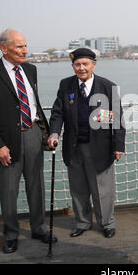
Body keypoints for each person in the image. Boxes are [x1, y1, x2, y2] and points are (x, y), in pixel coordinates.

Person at [0, 28, 57, 254]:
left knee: (36, 186)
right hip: (5, 142)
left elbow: (34, 105)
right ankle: (10, 234)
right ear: (4, 48)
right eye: (19, 47)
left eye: (25, 45)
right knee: (9, 190)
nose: (25, 50)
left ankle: (39, 228)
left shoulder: (31, 70)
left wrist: (46, 133)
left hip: (32, 135)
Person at [48, 48, 125, 238]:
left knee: (103, 190)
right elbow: (58, 113)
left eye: (85, 64)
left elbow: (117, 119)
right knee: (78, 188)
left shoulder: (108, 87)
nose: (81, 68)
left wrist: (118, 146)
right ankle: (82, 222)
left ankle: (107, 223)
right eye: (77, 64)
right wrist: (54, 133)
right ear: (73, 66)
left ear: (94, 65)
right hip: (74, 147)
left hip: (100, 148)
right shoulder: (65, 85)